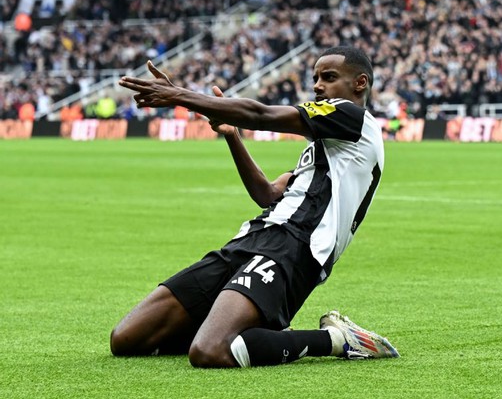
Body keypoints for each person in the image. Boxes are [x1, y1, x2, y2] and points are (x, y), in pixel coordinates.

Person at [111, 46, 399, 368]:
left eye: (329, 78)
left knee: (210, 351)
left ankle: (335, 339)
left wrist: (179, 95)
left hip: (296, 248)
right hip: (253, 238)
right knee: (127, 338)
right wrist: (232, 135)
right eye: (316, 78)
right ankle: (244, 331)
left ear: (360, 83)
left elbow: (261, 114)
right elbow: (267, 194)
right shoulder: (329, 148)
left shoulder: (355, 119)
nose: (318, 86)